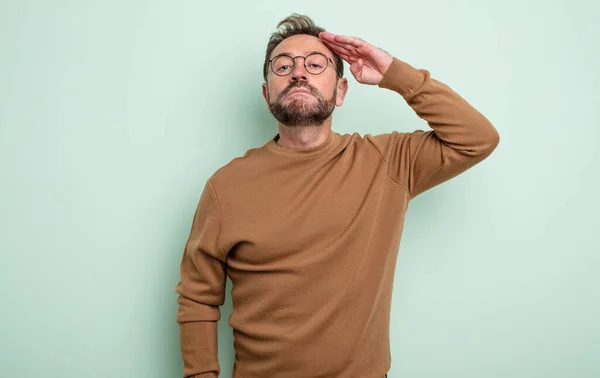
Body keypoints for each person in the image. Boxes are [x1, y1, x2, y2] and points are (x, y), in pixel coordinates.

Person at [175, 13, 499, 378]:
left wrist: (394, 73)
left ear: (340, 90)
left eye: (315, 64)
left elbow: (477, 139)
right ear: (267, 95)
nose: (299, 72)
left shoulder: (388, 163)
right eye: (283, 66)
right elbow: (197, 297)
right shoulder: (226, 186)